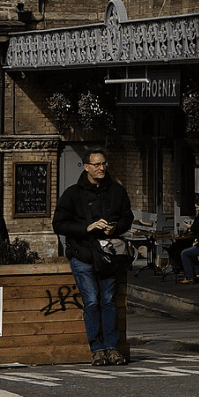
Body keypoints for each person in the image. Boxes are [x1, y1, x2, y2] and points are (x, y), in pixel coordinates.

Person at [53, 149, 134, 367]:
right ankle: (97, 349)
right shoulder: (72, 194)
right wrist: (86, 227)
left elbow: (128, 217)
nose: (101, 168)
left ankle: (112, 348)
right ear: (86, 166)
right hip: (83, 255)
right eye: (96, 164)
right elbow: (58, 224)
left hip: (108, 256)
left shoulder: (116, 191)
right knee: (91, 302)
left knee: (108, 302)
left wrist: (114, 227)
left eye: (103, 164)